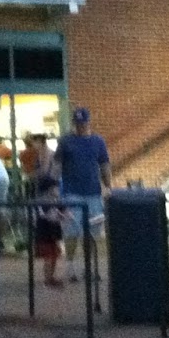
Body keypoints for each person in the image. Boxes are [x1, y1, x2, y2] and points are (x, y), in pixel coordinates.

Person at [54, 107, 111, 282]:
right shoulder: (66, 142)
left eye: (83, 123)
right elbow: (57, 165)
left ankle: (89, 268)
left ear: (88, 123)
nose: (80, 127)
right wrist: (55, 187)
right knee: (72, 231)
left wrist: (108, 186)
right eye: (77, 124)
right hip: (71, 192)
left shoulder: (98, 141)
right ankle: (70, 268)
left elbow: (104, 165)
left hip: (93, 192)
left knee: (92, 233)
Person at [33, 175, 68, 288]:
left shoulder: (56, 201)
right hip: (44, 233)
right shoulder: (43, 201)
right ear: (48, 189)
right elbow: (48, 216)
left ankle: (51, 278)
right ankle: (47, 280)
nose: (58, 190)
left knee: (54, 256)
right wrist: (60, 216)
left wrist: (65, 215)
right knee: (48, 257)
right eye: (55, 188)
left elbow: (64, 212)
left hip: (53, 233)